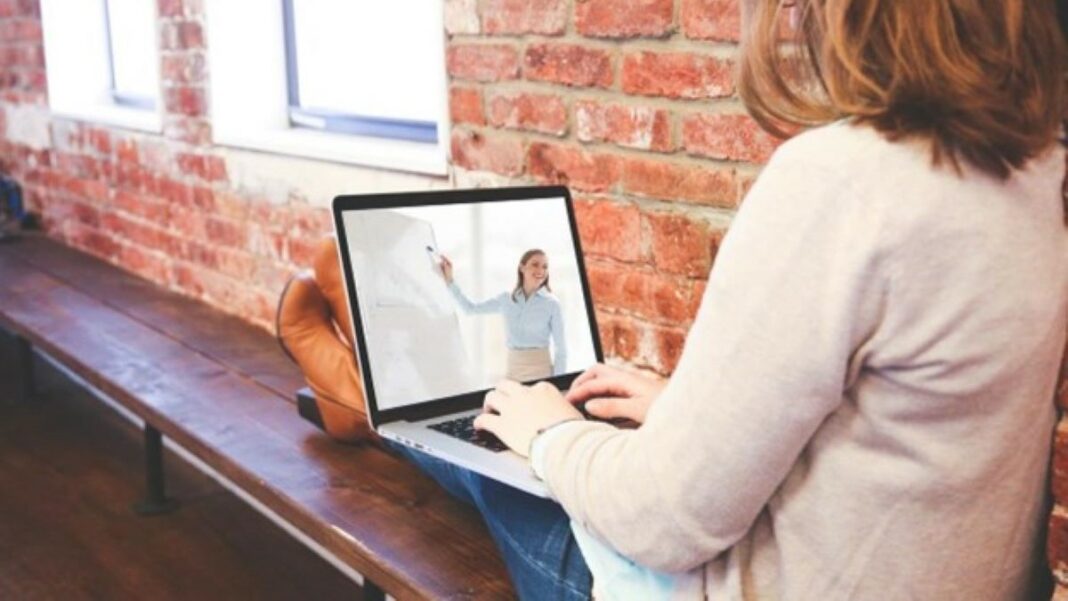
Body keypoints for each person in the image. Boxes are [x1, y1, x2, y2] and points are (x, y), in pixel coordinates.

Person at [279, 0, 1067, 597]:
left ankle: (362, 402)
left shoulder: (844, 181)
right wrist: (687, 408)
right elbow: (899, 429)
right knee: (509, 416)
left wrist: (552, 436)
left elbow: (664, 523)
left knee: (493, 455)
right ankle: (375, 400)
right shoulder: (1042, 174)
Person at [439, 249, 567, 381]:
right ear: (522, 268)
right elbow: (470, 309)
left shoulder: (552, 304)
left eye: (545, 267)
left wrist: (558, 383)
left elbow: (561, 350)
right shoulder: (506, 299)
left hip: (541, 372)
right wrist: (450, 281)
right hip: (513, 372)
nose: (541, 270)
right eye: (535, 264)